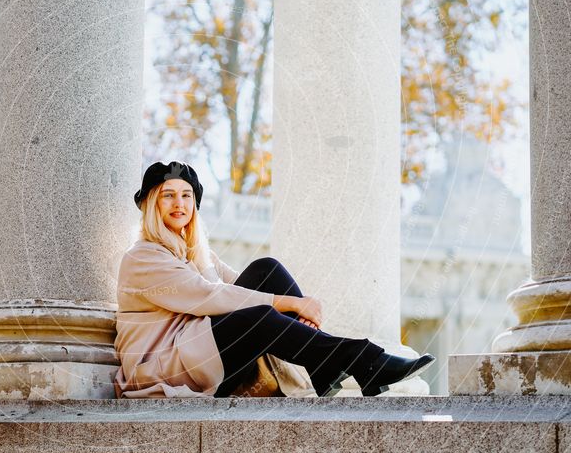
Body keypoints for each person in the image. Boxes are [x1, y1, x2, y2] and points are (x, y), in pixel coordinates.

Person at [113, 160, 434, 399]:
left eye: (186, 196)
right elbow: (210, 297)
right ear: (151, 204)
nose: (179, 204)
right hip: (164, 367)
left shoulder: (196, 253)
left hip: (198, 352)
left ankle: (324, 365)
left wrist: (290, 318)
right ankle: (361, 358)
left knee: (267, 270)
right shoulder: (143, 256)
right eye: (168, 195)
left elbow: (241, 286)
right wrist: (291, 304)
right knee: (258, 315)